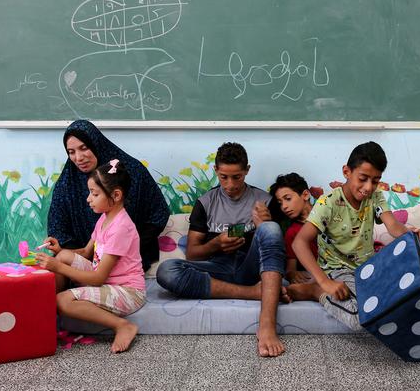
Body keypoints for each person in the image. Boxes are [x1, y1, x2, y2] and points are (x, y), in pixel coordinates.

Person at [156, 142, 288, 357]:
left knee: (271, 229)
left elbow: (276, 249)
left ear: (247, 171)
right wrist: (215, 244)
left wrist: (262, 225)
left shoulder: (264, 200)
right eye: (224, 177)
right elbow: (192, 253)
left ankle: (266, 324)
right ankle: (256, 293)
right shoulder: (206, 202)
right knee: (167, 271)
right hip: (218, 269)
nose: (230, 184)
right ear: (216, 171)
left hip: (252, 269)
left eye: (237, 176)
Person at [287, 141, 420, 330]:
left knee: (398, 299)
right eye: (363, 178)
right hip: (336, 270)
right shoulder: (327, 203)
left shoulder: (375, 197)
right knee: (362, 317)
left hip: (367, 268)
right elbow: (299, 243)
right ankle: (315, 291)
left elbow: (393, 225)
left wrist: (411, 232)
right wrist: (324, 282)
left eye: (376, 180)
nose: (369, 187)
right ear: (346, 172)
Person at [36, 159, 146, 353]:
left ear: (116, 195)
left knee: (62, 300)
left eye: (94, 194)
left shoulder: (121, 227)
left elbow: (97, 279)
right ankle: (46, 313)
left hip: (128, 291)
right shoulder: (105, 218)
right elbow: (87, 253)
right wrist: (60, 252)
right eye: (90, 193)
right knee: (64, 257)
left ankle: (122, 325)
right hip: (106, 280)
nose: (88, 199)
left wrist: (57, 267)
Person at [48, 119, 169, 272]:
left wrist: (130, 245)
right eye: (71, 152)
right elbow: (58, 226)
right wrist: (68, 252)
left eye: (84, 148)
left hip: (124, 260)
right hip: (83, 258)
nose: (78, 158)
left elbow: (159, 213)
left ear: (97, 144)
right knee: (56, 267)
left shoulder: (132, 172)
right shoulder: (67, 183)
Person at [269, 173, 318, 284]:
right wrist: (292, 274)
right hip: (317, 275)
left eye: (288, 199)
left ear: (305, 195)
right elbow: (290, 269)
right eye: (280, 202)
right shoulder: (292, 232)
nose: (284, 207)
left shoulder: (327, 215)